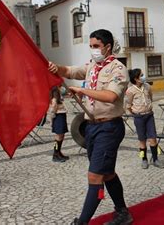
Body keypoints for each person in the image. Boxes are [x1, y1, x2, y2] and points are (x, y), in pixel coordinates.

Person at [48, 29, 132, 225]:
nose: (93, 50)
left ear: (107, 47)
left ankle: (82, 222)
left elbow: (111, 96)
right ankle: (123, 213)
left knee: (95, 175)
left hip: (109, 127)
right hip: (91, 127)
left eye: (96, 46)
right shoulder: (93, 66)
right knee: (107, 172)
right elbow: (70, 71)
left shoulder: (118, 69)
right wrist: (55, 68)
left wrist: (82, 89)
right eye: (91, 46)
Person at [125, 68, 164, 169]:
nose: (143, 76)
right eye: (141, 75)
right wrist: (135, 113)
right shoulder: (130, 90)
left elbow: (150, 98)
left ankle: (155, 159)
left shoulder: (147, 86)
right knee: (142, 139)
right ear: (136, 79)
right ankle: (144, 159)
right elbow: (128, 105)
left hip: (149, 115)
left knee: (153, 138)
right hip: (139, 117)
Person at [47, 85, 69, 162]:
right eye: (59, 91)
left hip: (61, 116)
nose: (61, 91)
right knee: (58, 137)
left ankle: (59, 152)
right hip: (58, 118)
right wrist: (52, 121)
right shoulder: (54, 100)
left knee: (61, 136)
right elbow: (52, 112)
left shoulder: (58, 99)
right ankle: (55, 154)